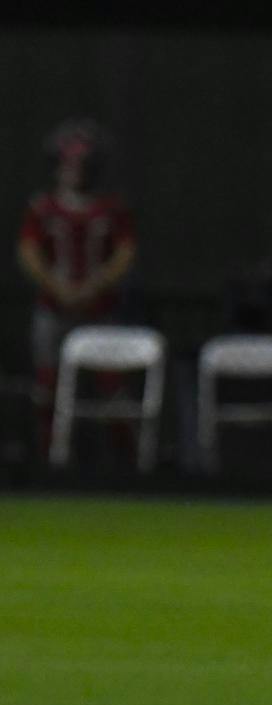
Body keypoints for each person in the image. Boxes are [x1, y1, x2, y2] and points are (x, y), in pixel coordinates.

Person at [15, 119, 136, 455]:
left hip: (101, 309)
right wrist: (57, 286)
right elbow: (29, 252)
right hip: (53, 308)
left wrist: (95, 285)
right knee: (48, 387)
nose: (73, 172)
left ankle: (126, 461)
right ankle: (48, 456)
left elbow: (125, 253)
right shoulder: (42, 208)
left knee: (112, 387)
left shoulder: (111, 209)